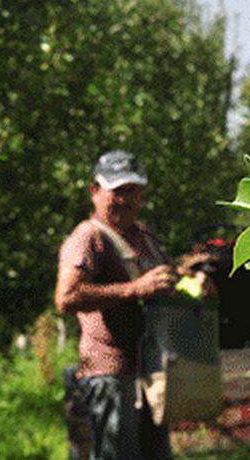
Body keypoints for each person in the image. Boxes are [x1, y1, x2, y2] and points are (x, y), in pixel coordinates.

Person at [55, 150, 174, 460]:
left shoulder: (143, 235)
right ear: (95, 192)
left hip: (150, 375)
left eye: (134, 191)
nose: (127, 200)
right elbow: (66, 297)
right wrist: (134, 289)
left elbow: (163, 279)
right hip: (109, 375)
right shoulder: (88, 237)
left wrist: (193, 281)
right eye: (118, 191)